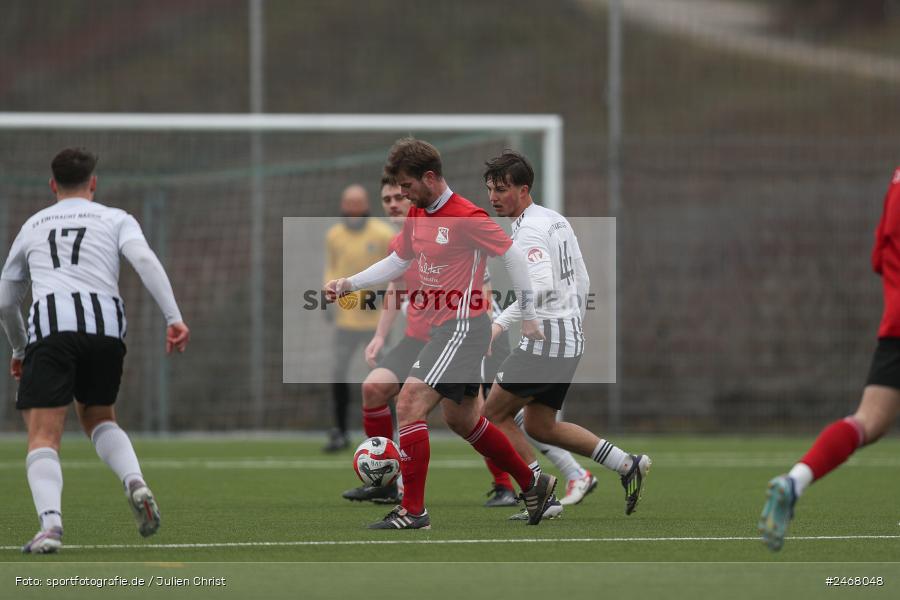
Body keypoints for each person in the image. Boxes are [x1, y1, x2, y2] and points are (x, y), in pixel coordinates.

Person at [326, 137, 556, 529]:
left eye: (407, 186)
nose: (402, 195)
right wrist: (350, 282)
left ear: (430, 177)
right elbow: (399, 258)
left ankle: (412, 511)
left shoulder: (466, 216)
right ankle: (534, 483)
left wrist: (529, 314)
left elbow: (514, 257)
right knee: (463, 421)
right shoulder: (418, 214)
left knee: (410, 402)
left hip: (464, 327)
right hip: (443, 330)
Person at [0, 148, 190, 554]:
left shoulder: (34, 225)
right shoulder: (115, 217)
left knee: (44, 435)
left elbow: (5, 299)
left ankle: (50, 526)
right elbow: (144, 259)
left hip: (51, 332)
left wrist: (20, 347)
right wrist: (173, 317)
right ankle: (134, 481)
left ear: (52, 185)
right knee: (99, 416)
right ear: (93, 183)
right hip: (105, 331)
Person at [480, 151, 651, 517]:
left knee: (491, 414)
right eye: (490, 190)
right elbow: (583, 276)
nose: (493, 197)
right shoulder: (554, 220)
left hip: (545, 339)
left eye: (501, 190)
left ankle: (539, 490)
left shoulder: (528, 230)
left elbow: (538, 286)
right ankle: (626, 464)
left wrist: (499, 324)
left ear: (523, 189)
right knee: (541, 426)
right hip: (567, 337)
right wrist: (572, 321)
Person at [759, 167, 900, 552]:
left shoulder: (895, 179)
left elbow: (878, 257)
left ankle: (795, 480)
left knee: (867, 421)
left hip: (896, 324)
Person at [322, 184, 395, 452]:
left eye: (357, 204)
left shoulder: (384, 233)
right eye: (348, 204)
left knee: (382, 379)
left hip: (376, 324)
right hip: (346, 322)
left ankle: (392, 434)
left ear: (366, 205)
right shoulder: (334, 235)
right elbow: (331, 268)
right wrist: (327, 299)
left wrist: (374, 298)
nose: (352, 209)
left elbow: (393, 274)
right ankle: (339, 431)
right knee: (338, 374)